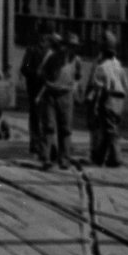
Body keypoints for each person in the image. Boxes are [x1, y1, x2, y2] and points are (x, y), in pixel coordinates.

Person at [83, 31, 128, 169]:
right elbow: (126, 84)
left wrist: (91, 102)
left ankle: (115, 157)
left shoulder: (101, 67)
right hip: (120, 99)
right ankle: (101, 157)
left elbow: (97, 88)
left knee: (109, 130)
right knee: (111, 128)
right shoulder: (118, 65)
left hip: (107, 98)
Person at [36, 33, 77, 169]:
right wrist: (49, 84)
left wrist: (71, 87)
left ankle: (64, 159)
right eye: (70, 46)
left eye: (74, 47)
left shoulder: (76, 60)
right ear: (64, 46)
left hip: (66, 95)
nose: (72, 49)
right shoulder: (53, 57)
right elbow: (41, 72)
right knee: (49, 127)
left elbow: (78, 76)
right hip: (51, 95)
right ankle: (46, 158)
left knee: (66, 129)